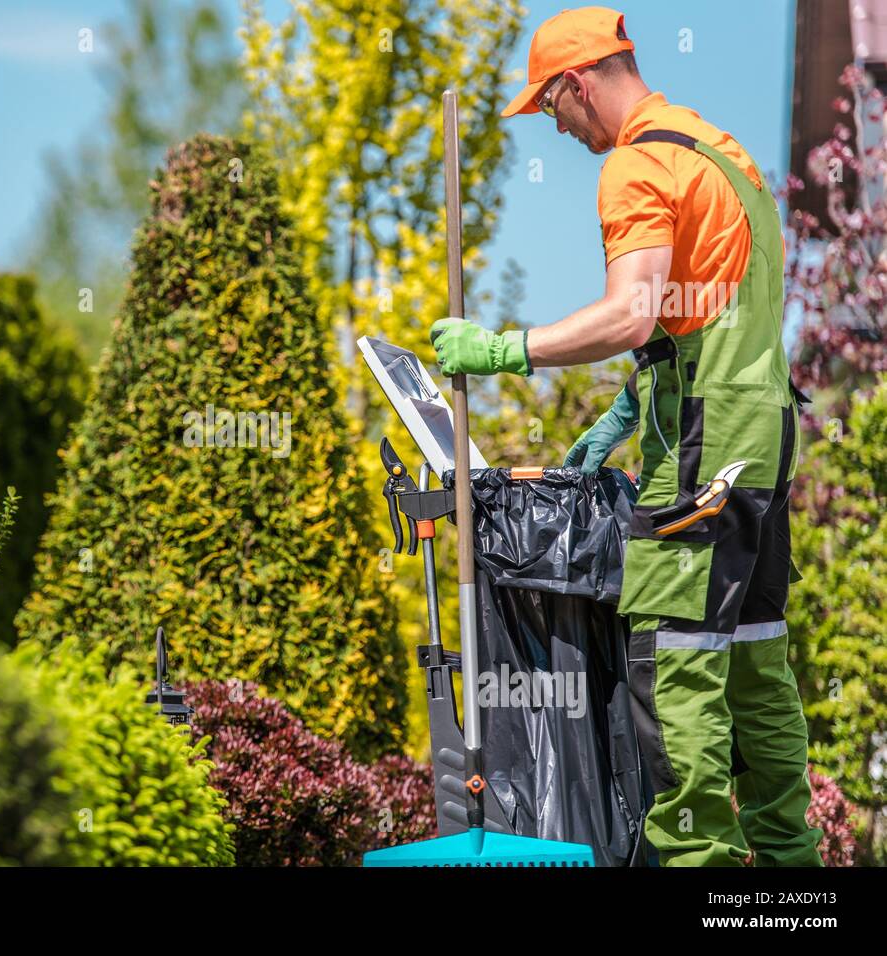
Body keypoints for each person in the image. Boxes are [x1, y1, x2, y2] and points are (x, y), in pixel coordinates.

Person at [429, 6, 824, 866]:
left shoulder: (638, 165)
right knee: (756, 663)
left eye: (551, 109)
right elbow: (697, 310)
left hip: (700, 451)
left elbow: (633, 308)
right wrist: (627, 405)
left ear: (578, 83)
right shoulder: (726, 152)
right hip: (761, 437)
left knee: (672, 662)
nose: (558, 129)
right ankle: (794, 881)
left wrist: (507, 348)